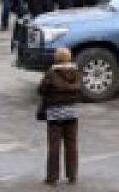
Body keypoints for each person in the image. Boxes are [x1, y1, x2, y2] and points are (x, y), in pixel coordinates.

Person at [38, 46, 81, 186]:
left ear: (56, 58)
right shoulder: (76, 72)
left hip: (54, 114)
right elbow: (79, 90)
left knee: (54, 146)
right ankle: (72, 175)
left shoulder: (51, 73)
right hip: (72, 113)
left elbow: (41, 90)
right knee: (72, 144)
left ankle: (52, 176)